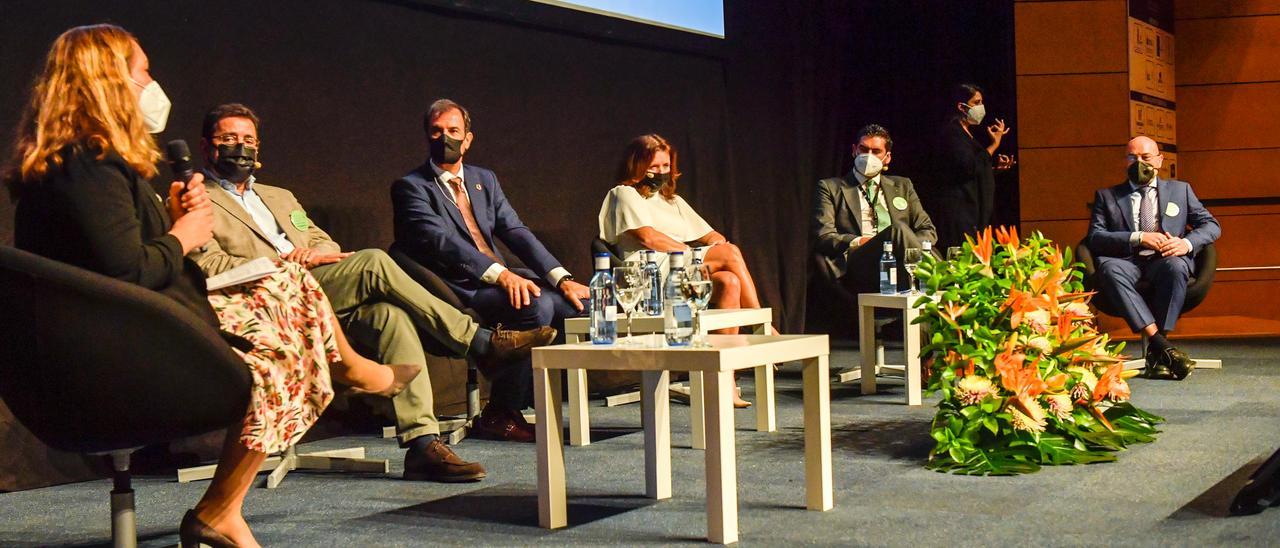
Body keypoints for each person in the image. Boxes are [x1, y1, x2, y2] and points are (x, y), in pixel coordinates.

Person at [4, 25, 413, 547]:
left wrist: (169, 223)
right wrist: (183, 233)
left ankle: (346, 375)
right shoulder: (88, 165)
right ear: (108, 80)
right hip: (108, 359)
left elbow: (121, 260)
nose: (153, 86)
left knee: (288, 295)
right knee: (281, 352)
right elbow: (130, 273)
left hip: (123, 332)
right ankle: (344, 379)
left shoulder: (81, 163)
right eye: (143, 72)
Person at [190, 103, 556, 480]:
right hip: (264, 302)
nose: (241, 147)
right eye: (228, 139)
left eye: (248, 139)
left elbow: (324, 242)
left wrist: (315, 254)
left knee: (389, 317)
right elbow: (210, 267)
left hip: (315, 291)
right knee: (374, 262)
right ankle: (478, 343)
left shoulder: (279, 196)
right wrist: (286, 263)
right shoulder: (195, 198)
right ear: (206, 147)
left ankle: (421, 445)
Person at [391, 99, 590, 442]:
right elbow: (442, 244)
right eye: (437, 131)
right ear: (427, 136)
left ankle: (546, 406)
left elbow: (515, 231)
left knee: (573, 303)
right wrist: (500, 274)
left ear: (468, 139)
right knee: (535, 305)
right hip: (459, 287)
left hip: (502, 277)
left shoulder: (484, 179)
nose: (445, 138)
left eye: (453, 131)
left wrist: (562, 277)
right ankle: (500, 413)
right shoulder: (411, 186)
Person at [598, 133, 770, 408]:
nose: (661, 173)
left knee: (728, 281)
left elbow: (711, 235)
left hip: (680, 268)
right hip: (647, 274)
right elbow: (648, 238)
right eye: (654, 167)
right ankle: (764, 327)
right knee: (730, 254)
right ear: (637, 166)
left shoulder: (672, 201)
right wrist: (693, 254)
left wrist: (713, 246)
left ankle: (724, 379)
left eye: (666, 166)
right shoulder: (624, 193)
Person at [1085, 136, 1221, 380]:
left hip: (1165, 260)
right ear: (1124, 162)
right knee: (1109, 269)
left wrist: (1185, 243)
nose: (1138, 163)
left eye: (1145, 158)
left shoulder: (1181, 190)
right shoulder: (1107, 196)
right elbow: (1095, 237)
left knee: (1176, 267)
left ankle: (1158, 349)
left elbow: (1211, 225)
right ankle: (1162, 346)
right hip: (1126, 262)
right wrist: (1138, 237)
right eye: (1132, 158)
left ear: (1159, 160)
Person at [811, 124, 938, 300]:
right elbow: (823, 236)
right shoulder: (830, 187)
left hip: (902, 261)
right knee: (898, 230)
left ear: (887, 158)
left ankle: (930, 281)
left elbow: (928, 230)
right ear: (854, 150)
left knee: (904, 237)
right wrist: (861, 241)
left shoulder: (902, 186)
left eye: (876, 151)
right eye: (863, 149)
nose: (868, 156)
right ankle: (945, 278)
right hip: (861, 261)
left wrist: (908, 250)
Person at [928, 83, 1016, 250]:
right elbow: (968, 167)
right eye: (976, 103)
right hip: (960, 213)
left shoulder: (966, 132)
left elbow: (969, 173)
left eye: (981, 102)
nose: (981, 107)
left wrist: (994, 169)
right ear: (961, 106)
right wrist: (994, 145)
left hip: (974, 211)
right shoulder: (952, 133)